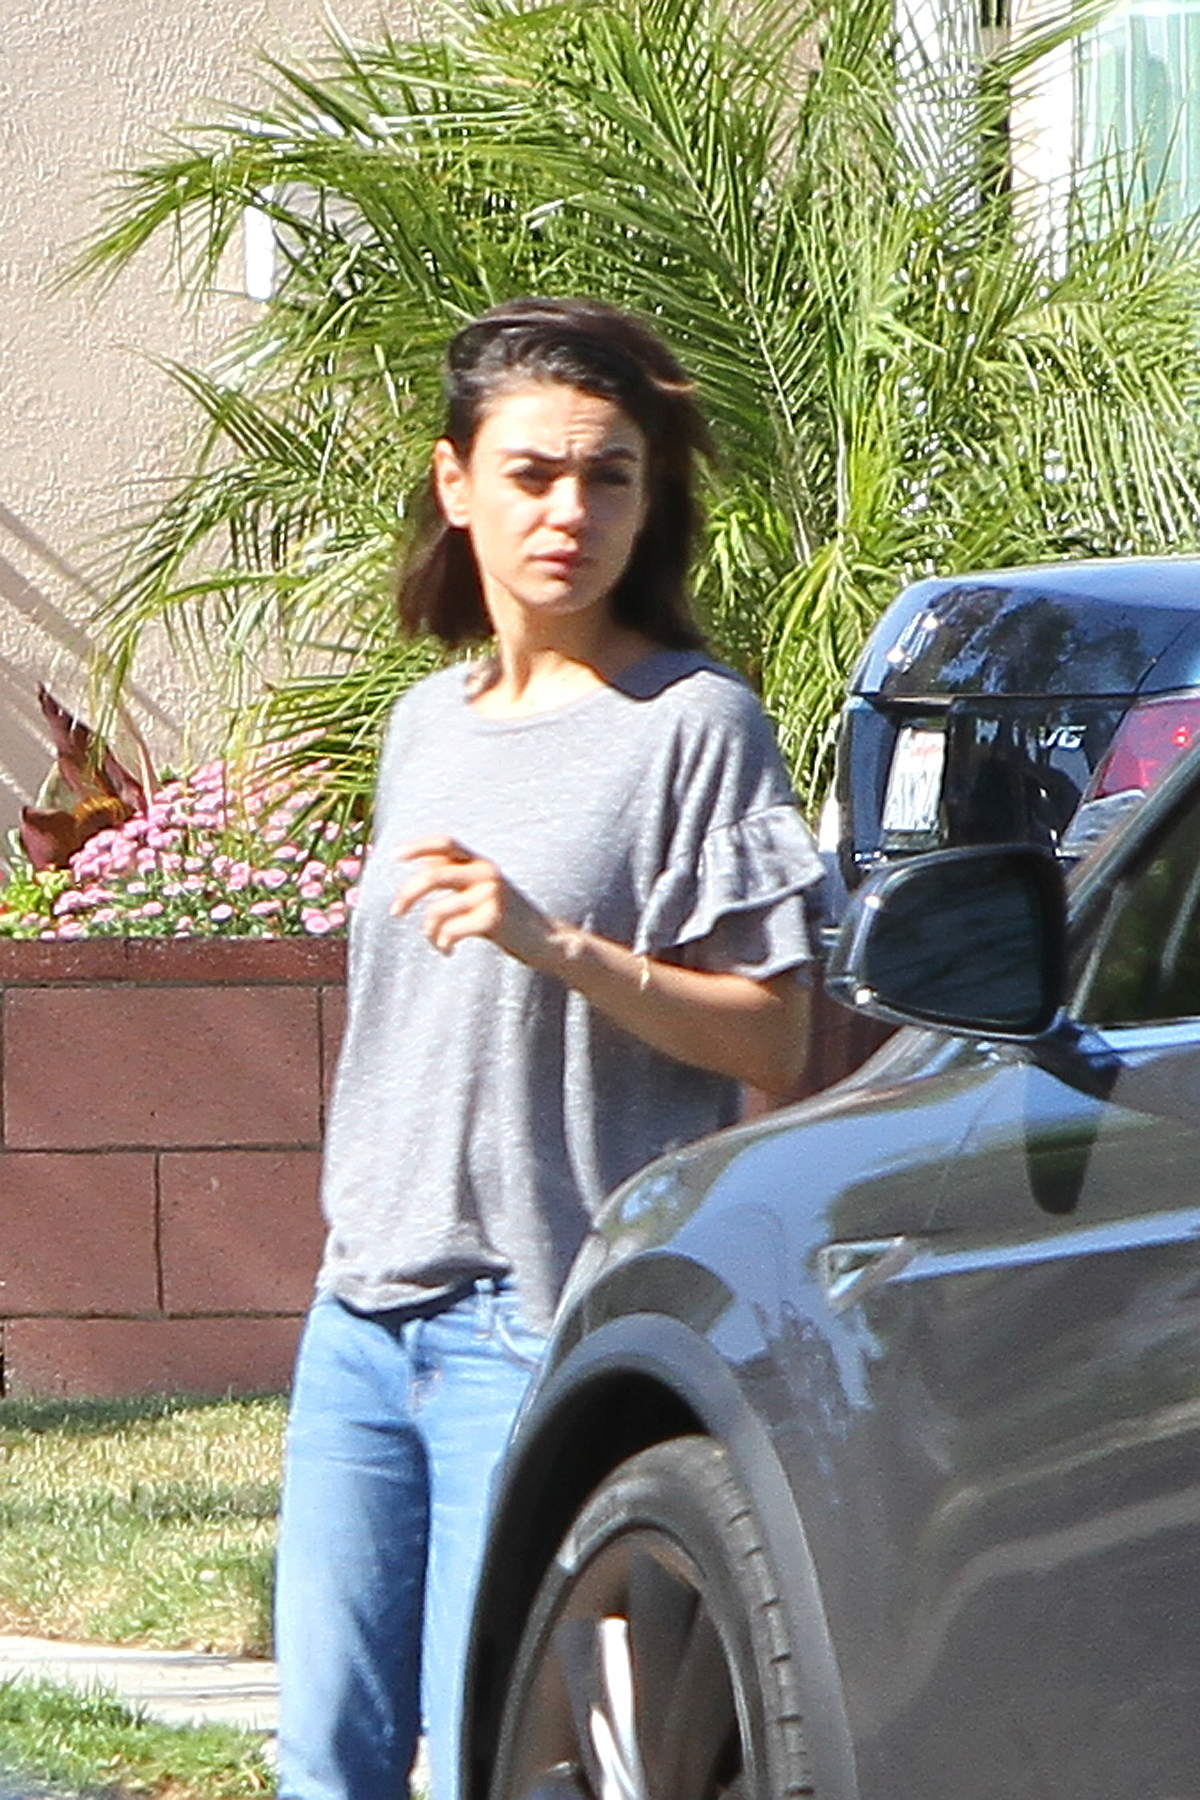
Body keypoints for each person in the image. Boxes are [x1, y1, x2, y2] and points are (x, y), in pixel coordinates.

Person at [274, 296, 826, 1800]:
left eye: (607, 476)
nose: (568, 511)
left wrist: (557, 942)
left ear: (649, 503)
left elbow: (779, 1034)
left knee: (493, 1751)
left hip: (535, 1319)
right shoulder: (426, 724)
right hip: (361, 1316)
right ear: (457, 484)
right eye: (531, 474)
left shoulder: (693, 725)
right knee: (324, 1760)